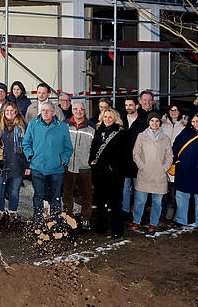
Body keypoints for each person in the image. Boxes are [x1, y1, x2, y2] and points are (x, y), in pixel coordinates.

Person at [23, 102, 73, 223]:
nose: (44, 112)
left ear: (53, 113)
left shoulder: (62, 126)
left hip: (56, 168)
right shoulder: (33, 125)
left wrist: (64, 161)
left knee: (55, 197)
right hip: (38, 167)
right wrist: (30, 156)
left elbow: (68, 148)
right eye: (43, 110)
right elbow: (26, 143)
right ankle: (38, 220)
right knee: (38, 196)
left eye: (47, 110)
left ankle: (55, 221)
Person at [89, 108, 130, 239]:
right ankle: (101, 227)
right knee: (100, 202)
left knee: (115, 203)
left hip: (114, 174)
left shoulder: (121, 133)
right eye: (105, 117)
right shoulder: (98, 131)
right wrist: (92, 160)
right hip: (99, 173)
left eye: (110, 117)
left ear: (115, 119)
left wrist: (111, 166)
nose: (107, 119)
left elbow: (124, 154)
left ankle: (117, 230)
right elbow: (93, 148)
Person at [131, 112, 173, 233]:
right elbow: (136, 153)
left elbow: (169, 156)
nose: (155, 123)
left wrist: (164, 168)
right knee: (140, 201)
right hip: (145, 173)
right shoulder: (141, 136)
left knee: (157, 202)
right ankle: (136, 221)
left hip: (159, 175)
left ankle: (153, 223)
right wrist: (141, 166)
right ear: (149, 122)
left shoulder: (165, 138)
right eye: (152, 121)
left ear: (160, 123)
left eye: (157, 121)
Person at [0, 102, 29, 222]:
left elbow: (28, 147)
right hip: (0, 166)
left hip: (17, 164)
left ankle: (12, 213)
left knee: (14, 192)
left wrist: (28, 165)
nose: (9, 113)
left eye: (12, 111)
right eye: (7, 111)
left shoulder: (22, 125)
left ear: (16, 112)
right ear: (4, 112)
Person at [63, 101, 95, 229]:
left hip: (85, 167)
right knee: (67, 196)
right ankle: (68, 219)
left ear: (85, 111)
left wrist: (92, 160)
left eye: (81, 109)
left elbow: (96, 146)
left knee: (86, 195)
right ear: (72, 110)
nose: (78, 111)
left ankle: (85, 219)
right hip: (68, 166)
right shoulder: (64, 125)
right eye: (76, 109)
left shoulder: (92, 127)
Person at [160, 104, 187, 221]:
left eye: (176, 110)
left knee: (178, 189)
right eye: (171, 110)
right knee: (167, 189)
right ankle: (168, 213)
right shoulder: (163, 124)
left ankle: (179, 215)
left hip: (179, 160)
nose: (174, 112)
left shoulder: (185, 125)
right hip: (165, 160)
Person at [121, 98, 148, 214]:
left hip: (139, 161)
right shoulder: (121, 120)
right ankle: (125, 211)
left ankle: (138, 213)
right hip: (123, 160)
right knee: (124, 188)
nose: (128, 107)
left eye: (130, 105)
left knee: (139, 188)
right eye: (126, 105)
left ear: (137, 106)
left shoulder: (144, 121)